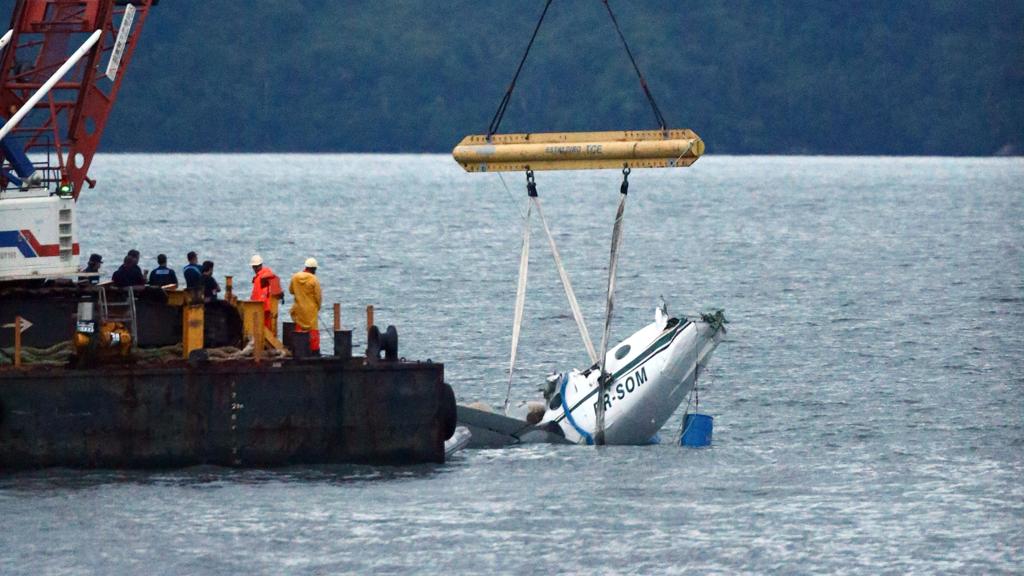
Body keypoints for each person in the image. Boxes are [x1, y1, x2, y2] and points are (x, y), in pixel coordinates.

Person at [289, 257, 322, 355]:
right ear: (314, 269)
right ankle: (315, 352)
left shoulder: (295, 277)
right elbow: (318, 296)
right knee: (313, 332)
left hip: (299, 309)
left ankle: (300, 350)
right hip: (311, 310)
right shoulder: (314, 279)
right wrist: (318, 307)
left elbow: (291, 291)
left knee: (299, 330)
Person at [250, 254, 283, 331]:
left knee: (261, 330)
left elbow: (256, 295)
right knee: (268, 330)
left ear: (254, 267)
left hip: (260, 308)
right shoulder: (270, 274)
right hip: (270, 307)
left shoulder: (259, 278)